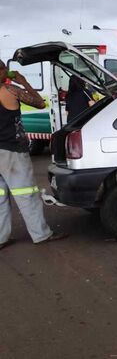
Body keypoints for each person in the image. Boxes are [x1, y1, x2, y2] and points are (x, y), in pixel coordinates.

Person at [0, 60, 67, 250]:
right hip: (11, 151)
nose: (7, 71)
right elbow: (39, 103)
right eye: (4, 68)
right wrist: (24, 82)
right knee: (26, 194)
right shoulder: (10, 90)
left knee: (0, 197)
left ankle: (1, 238)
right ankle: (41, 234)